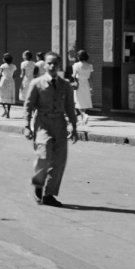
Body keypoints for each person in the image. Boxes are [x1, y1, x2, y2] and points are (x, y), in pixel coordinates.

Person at [24, 51, 79, 207]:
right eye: (49, 63)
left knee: (59, 161)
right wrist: (26, 126)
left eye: (55, 63)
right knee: (44, 156)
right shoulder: (37, 83)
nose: (52, 66)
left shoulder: (65, 85)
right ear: (45, 65)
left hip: (60, 124)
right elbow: (28, 105)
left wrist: (73, 126)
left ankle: (49, 195)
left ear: (59, 65)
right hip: (43, 123)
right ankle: (38, 184)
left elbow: (70, 106)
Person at [71, 49, 94, 126]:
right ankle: (83, 120)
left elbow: (74, 75)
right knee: (84, 101)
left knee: (78, 101)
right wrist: (91, 87)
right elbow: (90, 78)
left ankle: (84, 115)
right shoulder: (90, 66)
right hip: (86, 85)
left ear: (78, 57)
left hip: (78, 85)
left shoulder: (76, 65)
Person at [0, 52, 17, 118]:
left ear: (5, 59)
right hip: (11, 81)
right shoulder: (14, 66)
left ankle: (5, 110)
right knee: (9, 97)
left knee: (1, 96)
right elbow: (14, 75)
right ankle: (8, 112)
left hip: (3, 81)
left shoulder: (3, 66)